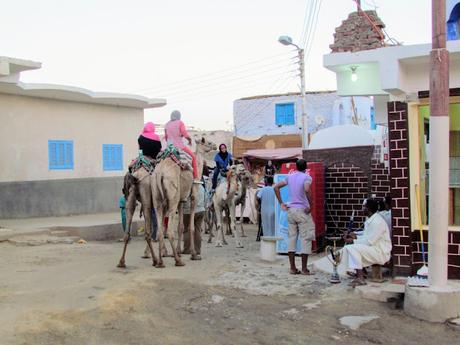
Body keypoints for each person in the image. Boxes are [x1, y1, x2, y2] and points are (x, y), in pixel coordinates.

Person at [274, 159, 315, 275]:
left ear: (296, 167)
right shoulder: (307, 177)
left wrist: (281, 203)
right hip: (302, 211)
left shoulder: (290, 176)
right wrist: (311, 205)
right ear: (305, 167)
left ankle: (292, 268)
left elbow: (276, 187)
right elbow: (307, 189)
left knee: (292, 239)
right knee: (305, 239)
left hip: (291, 211)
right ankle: (304, 269)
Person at [342, 198, 392, 287]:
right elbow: (367, 235)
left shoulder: (377, 222)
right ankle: (361, 272)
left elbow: (369, 241)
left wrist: (353, 240)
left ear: (368, 209)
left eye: (363, 207)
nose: (362, 209)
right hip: (374, 249)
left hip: (380, 252)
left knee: (352, 248)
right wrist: (354, 235)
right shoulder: (371, 219)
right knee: (350, 248)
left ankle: (360, 277)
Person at [164, 110, 199, 183]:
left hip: (169, 148)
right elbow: (184, 133)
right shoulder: (180, 123)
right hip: (179, 146)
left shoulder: (167, 124)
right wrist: (189, 140)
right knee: (193, 157)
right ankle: (196, 177)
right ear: (179, 116)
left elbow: (166, 137)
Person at [182, 184, 206, 256]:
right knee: (198, 230)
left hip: (188, 211)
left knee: (186, 229)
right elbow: (206, 198)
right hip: (201, 210)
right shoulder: (201, 187)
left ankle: (187, 249)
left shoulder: (186, 186)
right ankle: (197, 249)